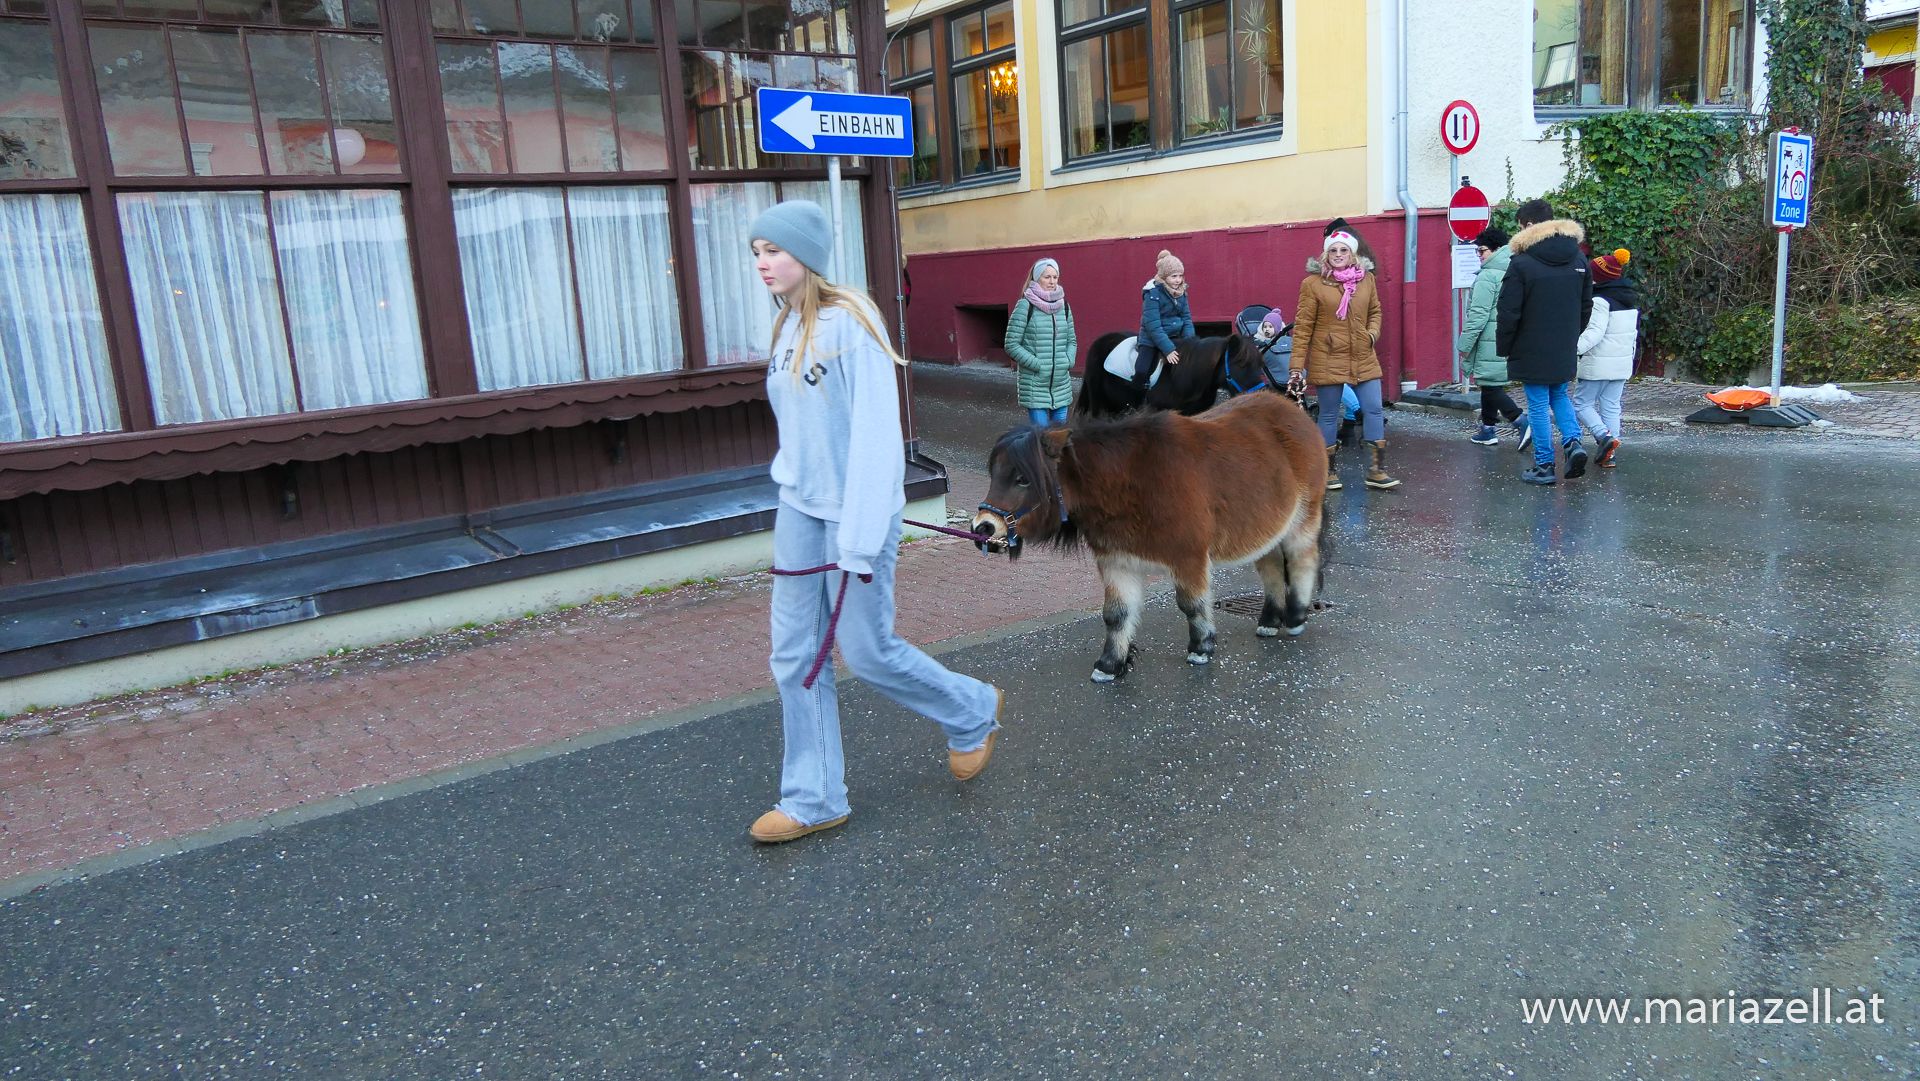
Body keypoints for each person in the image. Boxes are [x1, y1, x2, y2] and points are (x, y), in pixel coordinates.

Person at [747, 200, 1003, 844]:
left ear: (807, 255)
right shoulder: (784, 326)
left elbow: (874, 440)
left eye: (773, 250)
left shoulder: (851, 323)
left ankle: (970, 708)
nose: (763, 263)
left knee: (867, 652)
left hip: (856, 514)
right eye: (756, 252)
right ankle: (813, 797)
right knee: (793, 656)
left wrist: (858, 539)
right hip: (799, 509)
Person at [1290, 229, 1399, 491]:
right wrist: (1296, 368)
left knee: (1374, 409)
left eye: (1344, 250)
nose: (1338, 254)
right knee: (1329, 414)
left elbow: (1375, 311)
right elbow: (1303, 327)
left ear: (1353, 254)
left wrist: (1372, 335)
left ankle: (1376, 470)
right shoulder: (1313, 284)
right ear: (1325, 254)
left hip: (1363, 354)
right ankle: (1327, 471)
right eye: (1333, 250)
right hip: (1328, 356)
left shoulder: (1367, 279)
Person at [1496, 199, 1593, 486]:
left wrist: (1505, 346)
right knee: (1560, 395)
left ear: (1528, 225)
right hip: (1564, 342)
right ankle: (1573, 443)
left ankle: (1544, 465)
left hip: (1530, 345)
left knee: (1538, 404)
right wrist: (1572, 334)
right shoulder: (1578, 259)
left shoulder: (1521, 263)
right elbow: (1586, 305)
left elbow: (1509, 311)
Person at [1455, 226, 1529, 446]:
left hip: (1488, 338)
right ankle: (1488, 429)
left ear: (1496, 249)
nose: (1479, 255)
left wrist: (1464, 345)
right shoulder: (1513, 269)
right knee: (1489, 382)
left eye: (1482, 250)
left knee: (1490, 384)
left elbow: (1478, 315)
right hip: (1506, 335)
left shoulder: (1488, 276)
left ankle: (1520, 420)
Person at [1573, 248, 1636, 468]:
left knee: (1581, 404)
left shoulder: (1600, 301)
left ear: (1598, 277)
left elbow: (1594, 333)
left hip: (1597, 363)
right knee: (1611, 406)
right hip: (1621, 364)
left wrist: (1573, 349)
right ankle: (1611, 454)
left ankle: (1604, 436)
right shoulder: (1629, 301)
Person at [1004, 257, 1076, 426]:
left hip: (1061, 385)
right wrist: (1037, 364)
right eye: (1047, 277)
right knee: (1041, 437)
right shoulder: (1025, 305)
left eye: (1055, 277)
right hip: (1035, 385)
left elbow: (1071, 340)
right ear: (1037, 278)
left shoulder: (1064, 306)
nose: (1052, 281)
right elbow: (1011, 344)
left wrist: (1068, 361)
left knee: (1059, 437)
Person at [1133, 249, 1194, 389]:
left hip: (1174, 335)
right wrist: (1168, 349)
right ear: (1164, 277)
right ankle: (1135, 396)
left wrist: (1190, 343)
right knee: (1142, 370)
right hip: (1151, 339)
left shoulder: (1181, 292)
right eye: (1174, 276)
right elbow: (1152, 325)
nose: (1178, 280)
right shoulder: (1153, 293)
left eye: (1180, 276)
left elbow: (1186, 319)